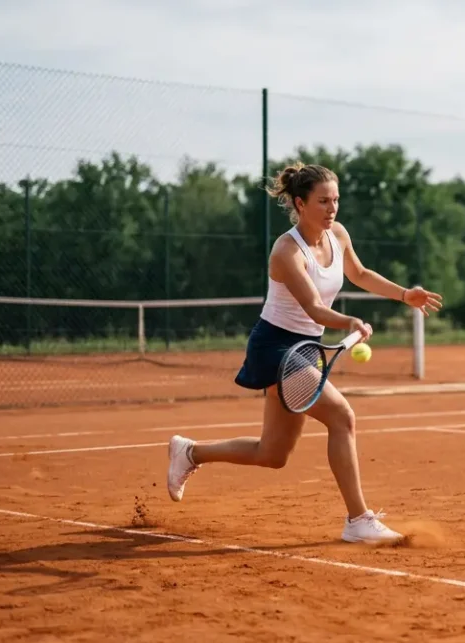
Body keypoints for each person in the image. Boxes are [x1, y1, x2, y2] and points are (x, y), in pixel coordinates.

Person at [164, 162, 443, 544]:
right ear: (300, 202)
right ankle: (358, 519)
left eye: (336, 200)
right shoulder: (285, 251)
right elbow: (313, 307)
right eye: (323, 201)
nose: (332, 209)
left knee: (272, 453)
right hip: (276, 345)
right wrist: (349, 323)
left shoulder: (337, 234)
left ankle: (190, 453)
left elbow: (359, 274)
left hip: (304, 349)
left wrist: (403, 294)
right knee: (342, 416)